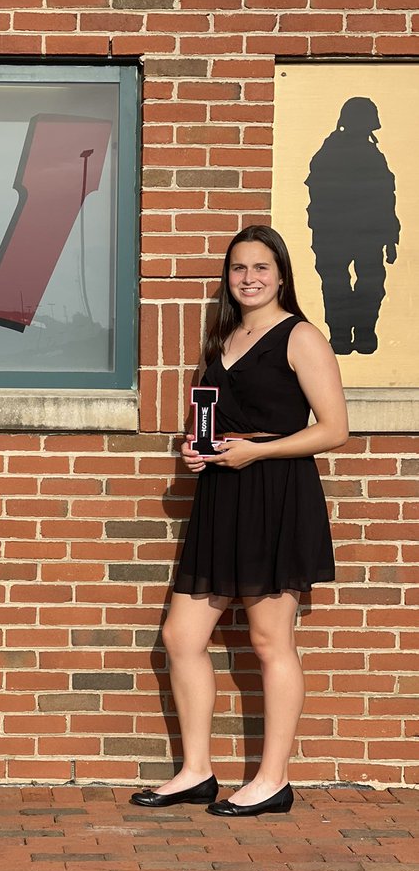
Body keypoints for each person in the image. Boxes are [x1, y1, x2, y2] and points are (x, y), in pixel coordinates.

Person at [131, 225, 348, 817]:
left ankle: (273, 779)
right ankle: (196, 772)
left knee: (269, 639)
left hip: (275, 491)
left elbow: (334, 429)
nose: (249, 278)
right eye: (238, 269)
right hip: (222, 493)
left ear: (281, 275)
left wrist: (257, 450)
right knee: (182, 636)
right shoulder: (222, 337)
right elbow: (216, 419)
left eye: (260, 267)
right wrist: (195, 450)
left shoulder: (300, 336)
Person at [305, 96, 400, 355]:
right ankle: (343, 335)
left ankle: (360, 333)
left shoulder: (340, 153)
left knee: (364, 282)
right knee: (340, 283)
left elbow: (385, 199)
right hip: (340, 235)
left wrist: (391, 237)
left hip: (359, 235)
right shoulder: (333, 154)